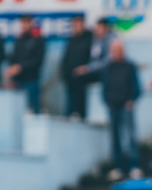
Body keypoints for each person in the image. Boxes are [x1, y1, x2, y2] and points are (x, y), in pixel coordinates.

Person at [102, 39, 141, 181]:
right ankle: (118, 167)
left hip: (126, 106)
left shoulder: (130, 66)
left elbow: (137, 87)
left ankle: (134, 166)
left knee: (130, 136)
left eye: (119, 50)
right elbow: (105, 87)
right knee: (115, 137)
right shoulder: (108, 67)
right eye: (114, 50)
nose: (116, 53)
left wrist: (131, 100)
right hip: (113, 106)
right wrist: (108, 101)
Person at [4, 14, 46, 113]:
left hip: (32, 81)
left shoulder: (38, 40)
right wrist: (11, 70)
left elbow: (37, 62)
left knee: (34, 110)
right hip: (18, 81)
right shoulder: (19, 40)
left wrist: (20, 67)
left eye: (27, 22)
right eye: (23, 22)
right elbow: (14, 57)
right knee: (19, 111)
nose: (24, 25)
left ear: (32, 23)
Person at [60, 14, 93, 119]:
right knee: (70, 109)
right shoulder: (71, 40)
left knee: (81, 110)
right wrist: (64, 74)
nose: (76, 27)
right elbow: (66, 58)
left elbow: (93, 59)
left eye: (78, 24)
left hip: (83, 81)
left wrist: (85, 70)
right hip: (70, 80)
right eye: (74, 25)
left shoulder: (90, 39)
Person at [74, 18, 118, 83]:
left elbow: (107, 62)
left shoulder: (112, 41)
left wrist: (88, 68)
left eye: (99, 28)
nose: (97, 30)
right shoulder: (97, 39)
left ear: (104, 27)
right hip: (96, 73)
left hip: (108, 75)